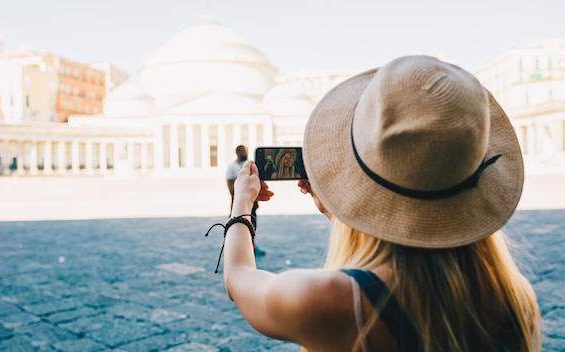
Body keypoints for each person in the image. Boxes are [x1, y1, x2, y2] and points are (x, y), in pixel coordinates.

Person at [221, 56, 540, 351]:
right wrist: (339, 210)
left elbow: (238, 278)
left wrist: (242, 204)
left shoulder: (330, 300)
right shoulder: (515, 297)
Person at [226, 145, 266, 256]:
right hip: (238, 198)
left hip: (251, 198)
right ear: (237, 152)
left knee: (252, 222)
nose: (244, 152)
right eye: (242, 151)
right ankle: (235, 247)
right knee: (237, 221)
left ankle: (252, 245)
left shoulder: (250, 164)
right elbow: (229, 183)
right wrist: (237, 197)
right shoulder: (232, 167)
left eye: (245, 150)